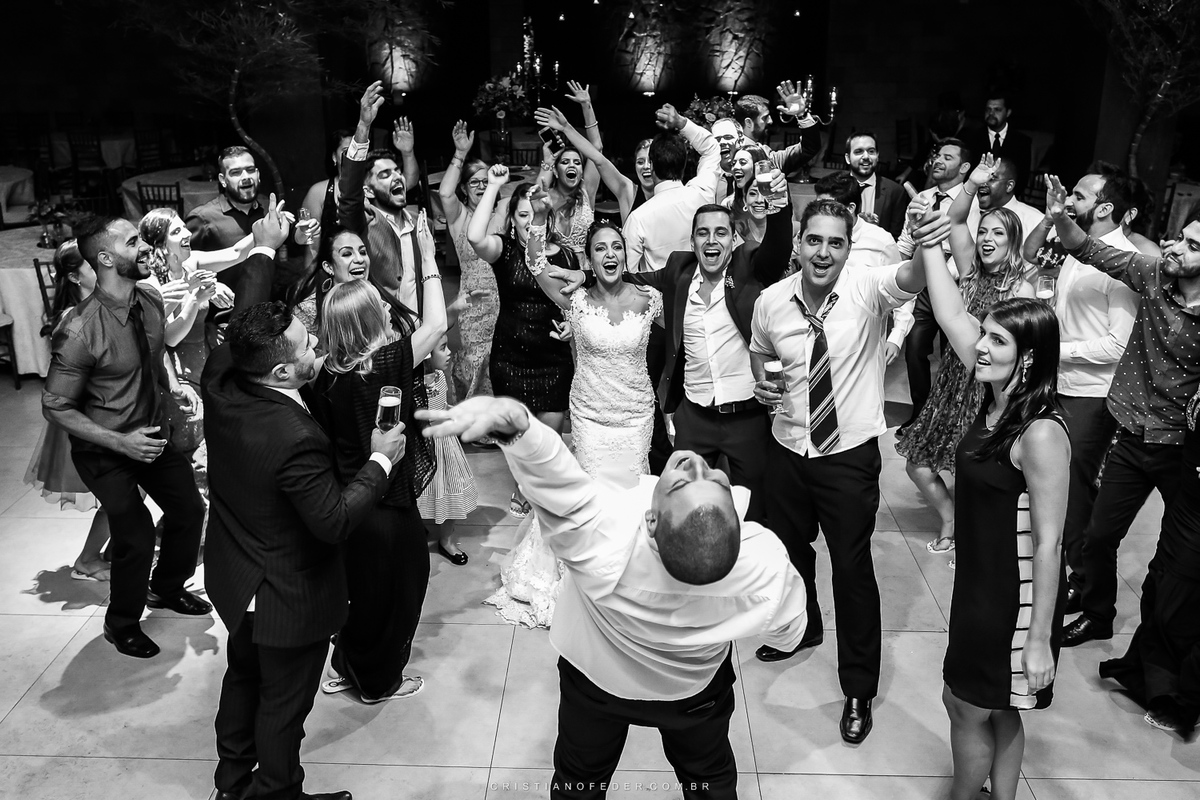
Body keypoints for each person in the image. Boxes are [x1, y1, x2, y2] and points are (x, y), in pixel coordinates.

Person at [417, 395, 809, 800]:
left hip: (595, 689)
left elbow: (556, 483)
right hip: (693, 697)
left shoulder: (601, 540)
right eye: (715, 478)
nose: (695, 463)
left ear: (651, 522)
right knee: (709, 782)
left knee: (579, 785)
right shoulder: (766, 566)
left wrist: (520, 432)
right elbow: (787, 635)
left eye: (685, 482)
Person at [749, 198, 949, 744]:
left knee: (852, 571)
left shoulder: (867, 288)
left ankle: (858, 687)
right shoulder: (771, 301)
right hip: (786, 449)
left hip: (847, 457)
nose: (823, 252)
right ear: (798, 241)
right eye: (814, 240)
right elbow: (760, 351)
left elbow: (912, 275)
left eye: (835, 243)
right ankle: (804, 626)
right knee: (791, 554)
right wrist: (763, 382)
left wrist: (925, 237)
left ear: (848, 247)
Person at [203, 295, 406, 800]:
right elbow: (334, 521)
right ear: (280, 372)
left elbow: (238, 337)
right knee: (284, 707)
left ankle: (232, 786)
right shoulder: (294, 436)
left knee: (243, 679)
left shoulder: (221, 378)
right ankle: (278, 793)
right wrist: (380, 462)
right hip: (285, 596)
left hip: (237, 576)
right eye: (306, 345)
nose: (316, 342)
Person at [917, 230, 1070, 800]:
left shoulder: (1040, 433)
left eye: (997, 340)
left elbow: (1051, 544)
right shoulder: (997, 397)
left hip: (1010, 599)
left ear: (1027, 357)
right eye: (984, 334)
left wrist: (1038, 640)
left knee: (963, 703)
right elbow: (951, 313)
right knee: (999, 707)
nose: (981, 346)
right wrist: (930, 239)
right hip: (979, 583)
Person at [485, 208, 664, 628]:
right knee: (589, 500)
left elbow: (680, 330)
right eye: (600, 248)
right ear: (589, 258)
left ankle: (625, 578)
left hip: (636, 415)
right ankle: (582, 583)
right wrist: (538, 218)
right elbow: (535, 264)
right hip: (590, 416)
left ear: (626, 255)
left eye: (616, 247)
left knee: (629, 498)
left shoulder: (649, 299)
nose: (610, 254)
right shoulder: (575, 300)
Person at [1039, 183, 1200, 647]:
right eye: (1180, 238)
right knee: (1098, 536)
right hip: (1132, 432)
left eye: (1193, 246)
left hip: (1181, 447)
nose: (1175, 247)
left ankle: (1159, 645)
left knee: (1176, 554)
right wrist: (1060, 216)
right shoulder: (1153, 275)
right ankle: (1098, 615)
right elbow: (1088, 249)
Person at [42, 215, 209, 659]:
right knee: (134, 533)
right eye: (133, 242)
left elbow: (156, 351)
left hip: (150, 435)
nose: (146, 248)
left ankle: (166, 588)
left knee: (189, 510)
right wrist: (120, 442)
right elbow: (55, 405)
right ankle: (121, 624)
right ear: (105, 258)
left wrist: (174, 385)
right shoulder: (79, 329)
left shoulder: (148, 299)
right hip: (104, 450)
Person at [312, 242, 444, 701]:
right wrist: (429, 258)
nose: (388, 310)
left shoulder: (325, 374)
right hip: (387, 505)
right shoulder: (383, 365)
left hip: (350, 503)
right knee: (400, 595)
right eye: (379, 305)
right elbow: (436, 326)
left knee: (362, 596)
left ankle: (349, 668)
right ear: (368, 320)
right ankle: (378, 684)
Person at [623, 185, 792, 525]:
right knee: (686, 509)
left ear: (734, 239)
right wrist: (585, 275)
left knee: (753, 514)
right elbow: (632, 277)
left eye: (720, 233)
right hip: (695, 418)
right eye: (703, 233)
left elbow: (777, 249)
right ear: (692, 241)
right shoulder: (679, 270)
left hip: (747, 419)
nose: (711, 240)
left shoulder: (749, 265)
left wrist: (779, 205)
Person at [898, 156, 1034, 556]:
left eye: (998, 233)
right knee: (918, 463)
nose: (988, 238)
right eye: (984, 231)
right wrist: (971, 185)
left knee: (975, 472)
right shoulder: (970, 270)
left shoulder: (1022, 289)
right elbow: (956, 220)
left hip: (988, 390)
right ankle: (950, 519)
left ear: (1013, 242)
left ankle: (974, 543)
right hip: (951, 385)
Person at [1021, 163, 1140, 611]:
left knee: (1074, 491)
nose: (1070, 201)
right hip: (1061, 383)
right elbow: (1034, 257)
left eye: (1079, 196)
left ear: (1105, 208)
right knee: (1052, 484)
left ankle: (1084, 584)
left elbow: (1117, 345)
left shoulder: (1123, 264)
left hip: (1093, 394)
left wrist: (1056, 350)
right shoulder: (1077, 247)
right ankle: (1064, 571)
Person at [467, 165, 580, 518]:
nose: (530, 222)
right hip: (511, 358)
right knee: (518, 437)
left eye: (535, 214)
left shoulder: (565, 256)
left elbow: (576, 305)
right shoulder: (503, 251)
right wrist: (494, 186)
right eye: (522, 215)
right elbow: (474, 236)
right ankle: (524, 484)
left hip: (553, 358)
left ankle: (539, 488)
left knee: (549, 438)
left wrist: (573, 326)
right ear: (512, 220)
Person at [1099, 386, 1200, 738]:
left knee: (1183, 597)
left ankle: (1182, 697)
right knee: (1162, 582)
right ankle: (1158, 683)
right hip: (1189, 496)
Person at [24, 240, 111, 582]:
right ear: (75, 277)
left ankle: (110, 551)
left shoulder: (101, 306)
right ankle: (88, 560)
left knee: (129, 492)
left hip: (106, 412)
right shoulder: (72, 319)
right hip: (91, 417)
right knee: (122, 493)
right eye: (94, 265)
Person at [896, 138, 974, 430]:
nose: (938, 161)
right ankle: (919, 416)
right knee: (915, 350)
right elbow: (906, 241)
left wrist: (944, 273)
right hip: (923, 289)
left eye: (948, 157)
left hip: (957, 290)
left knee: (955, 355)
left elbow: (970, 248)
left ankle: (950, 421)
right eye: (938, 155)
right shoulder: (922, 196)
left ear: (964, 168)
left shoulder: (972, 203)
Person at [186, 146, 311, 317]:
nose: (245, 177)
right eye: (236, 172)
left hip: (272, 314)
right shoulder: (203, 218)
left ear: (258, 175)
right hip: (226, 318)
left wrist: (301, 236)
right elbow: (182, 266)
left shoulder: (268, 209)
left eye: (250, 170)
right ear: (223, 180)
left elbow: (288, 247)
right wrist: (208, 286)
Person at [340, 80, 424, 313]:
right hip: (380, 324)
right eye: (384, 175)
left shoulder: (415, 223)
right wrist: (363, 125)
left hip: (418, 325)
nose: (397, 177)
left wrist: (407, 153)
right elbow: (349, 195)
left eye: (397, 171)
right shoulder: (364, 222)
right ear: (367, 191)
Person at [438, 120, 500, 399]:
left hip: (501, 298)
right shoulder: (460, 216)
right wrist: (460, 153)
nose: (481, 186)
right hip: (473, 300)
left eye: (486, 182)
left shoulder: (502, 215)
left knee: (499, 358)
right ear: (464, 188)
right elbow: (444, 192)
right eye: (474, 182)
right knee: (474, 358)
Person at [622, 104, 721, 273]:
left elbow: (628, 273)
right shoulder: (702, 193)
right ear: (683, 164)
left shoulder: (638, 219)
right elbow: (712, 148)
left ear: (651, 166)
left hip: (656, 289)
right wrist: (681, 123)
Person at [417, 332, 478, 565]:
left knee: (450, 487)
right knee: (420, 492)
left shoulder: (441, 376)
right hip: (423, 446)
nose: (449, 352)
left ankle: (447, 539)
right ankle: (417, 528)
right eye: (442, 348)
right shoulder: (414, 383)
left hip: (445, 446)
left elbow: (443, 406)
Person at [533, 81, 606, 259]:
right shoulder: (545, 196)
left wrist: (586, 106)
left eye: (577, 162)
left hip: (585, 270)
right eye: (565, 162)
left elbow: (596, 148)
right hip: (552, 269)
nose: (572, 165)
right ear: (556, 171)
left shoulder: (587, 191)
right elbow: (534, 201)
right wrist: (548, 161)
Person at [298, 128, 354, 270]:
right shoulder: (318, 192)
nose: (352, 156)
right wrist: (310, 280)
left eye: (357, 151)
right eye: (346, 151)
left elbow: (406, 184)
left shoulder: (372, 187)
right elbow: (311, 243)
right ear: (334, 157)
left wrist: (406, 154)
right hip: (331, 270)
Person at [844, 131, 908, 238]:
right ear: (847, 158)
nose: (866, 156)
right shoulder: (834, 188)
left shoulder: (895, 191)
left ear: (877, 156)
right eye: (858, 152)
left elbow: (896, 236)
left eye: (871, 151)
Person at [970, 92, 1034, 195]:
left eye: (997, 110)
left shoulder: (1022, 141)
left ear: (1008, 112)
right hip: (975, 196)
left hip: (1008, 197)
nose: (991, 113)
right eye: (988, 109)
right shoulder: (972, 137)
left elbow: (1023, 177)